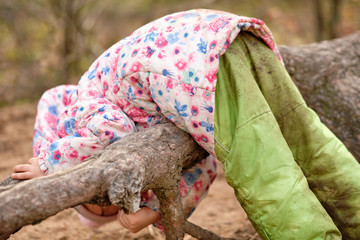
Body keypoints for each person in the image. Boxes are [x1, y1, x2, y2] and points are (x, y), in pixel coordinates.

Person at [11, 9, 360, 239]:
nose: (115, 202)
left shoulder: (76, 106)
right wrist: (153, 210)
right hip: (228, 39)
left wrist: (53, 164)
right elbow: (201, 167)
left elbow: (110, 130)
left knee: (264, 173)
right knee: (310, 143)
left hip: (195, 69)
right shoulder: (128, 98)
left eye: (99, 200)